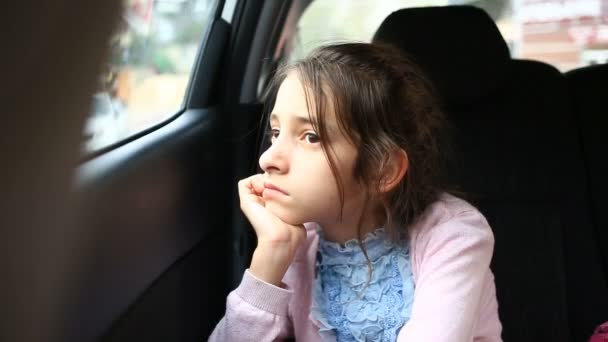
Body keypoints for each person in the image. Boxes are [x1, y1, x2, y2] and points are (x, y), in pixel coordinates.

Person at [209, 43, 502, 342]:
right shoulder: (300, 240)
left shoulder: (453, 235)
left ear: (382, 169)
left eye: (311, 136)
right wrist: (270, 256)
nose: (267, 159)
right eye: (275, 133)